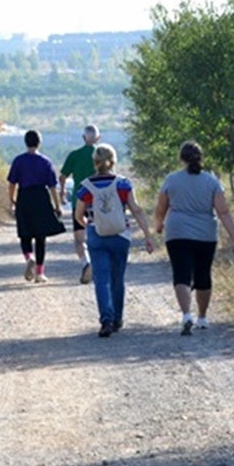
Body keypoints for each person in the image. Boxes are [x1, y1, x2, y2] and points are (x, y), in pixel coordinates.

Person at [153, 141, 234, 336]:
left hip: (177, 232)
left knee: (181, 272)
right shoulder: (212, 181)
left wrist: (158, 225)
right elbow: (223, 211)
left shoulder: (171, 180)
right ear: (201, 159)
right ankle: (202, 317)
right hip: (205, 234)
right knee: (203, 273)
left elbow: (161, 208)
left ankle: (186, 314)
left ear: (181, 159)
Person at [73, 144, 155, 337]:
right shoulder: (123, 184)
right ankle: (118, 318)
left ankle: (106, 320)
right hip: (120, 236)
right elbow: (136, 209)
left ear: (95, 163)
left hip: (97, 236)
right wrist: (147, 235)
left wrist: (89, 224)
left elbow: (78, 215)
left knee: (101, 280)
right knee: (118, 279)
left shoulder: (86, 186)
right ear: (113, 161)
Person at [7, 129, 65, 283]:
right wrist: (57, 206)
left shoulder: (18, 161)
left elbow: (12, 183)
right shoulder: (46, 162)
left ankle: (29, 258)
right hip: (41, 198)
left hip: (24, 197)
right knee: (41, 237)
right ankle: (40, 273)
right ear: (39, 143)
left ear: (25, 142)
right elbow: (53, 187)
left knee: (24, 232)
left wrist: (11, 200)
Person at [60, 124, 101, 284]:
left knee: (79, 239)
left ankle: (86, 262)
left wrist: (62, 192)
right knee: (98, 236)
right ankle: (98, 266)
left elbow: (62, 177)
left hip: (79, 201)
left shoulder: (74, 155)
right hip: (98, 202)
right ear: (98, 138)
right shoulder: (102, 155)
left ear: (83, 138)